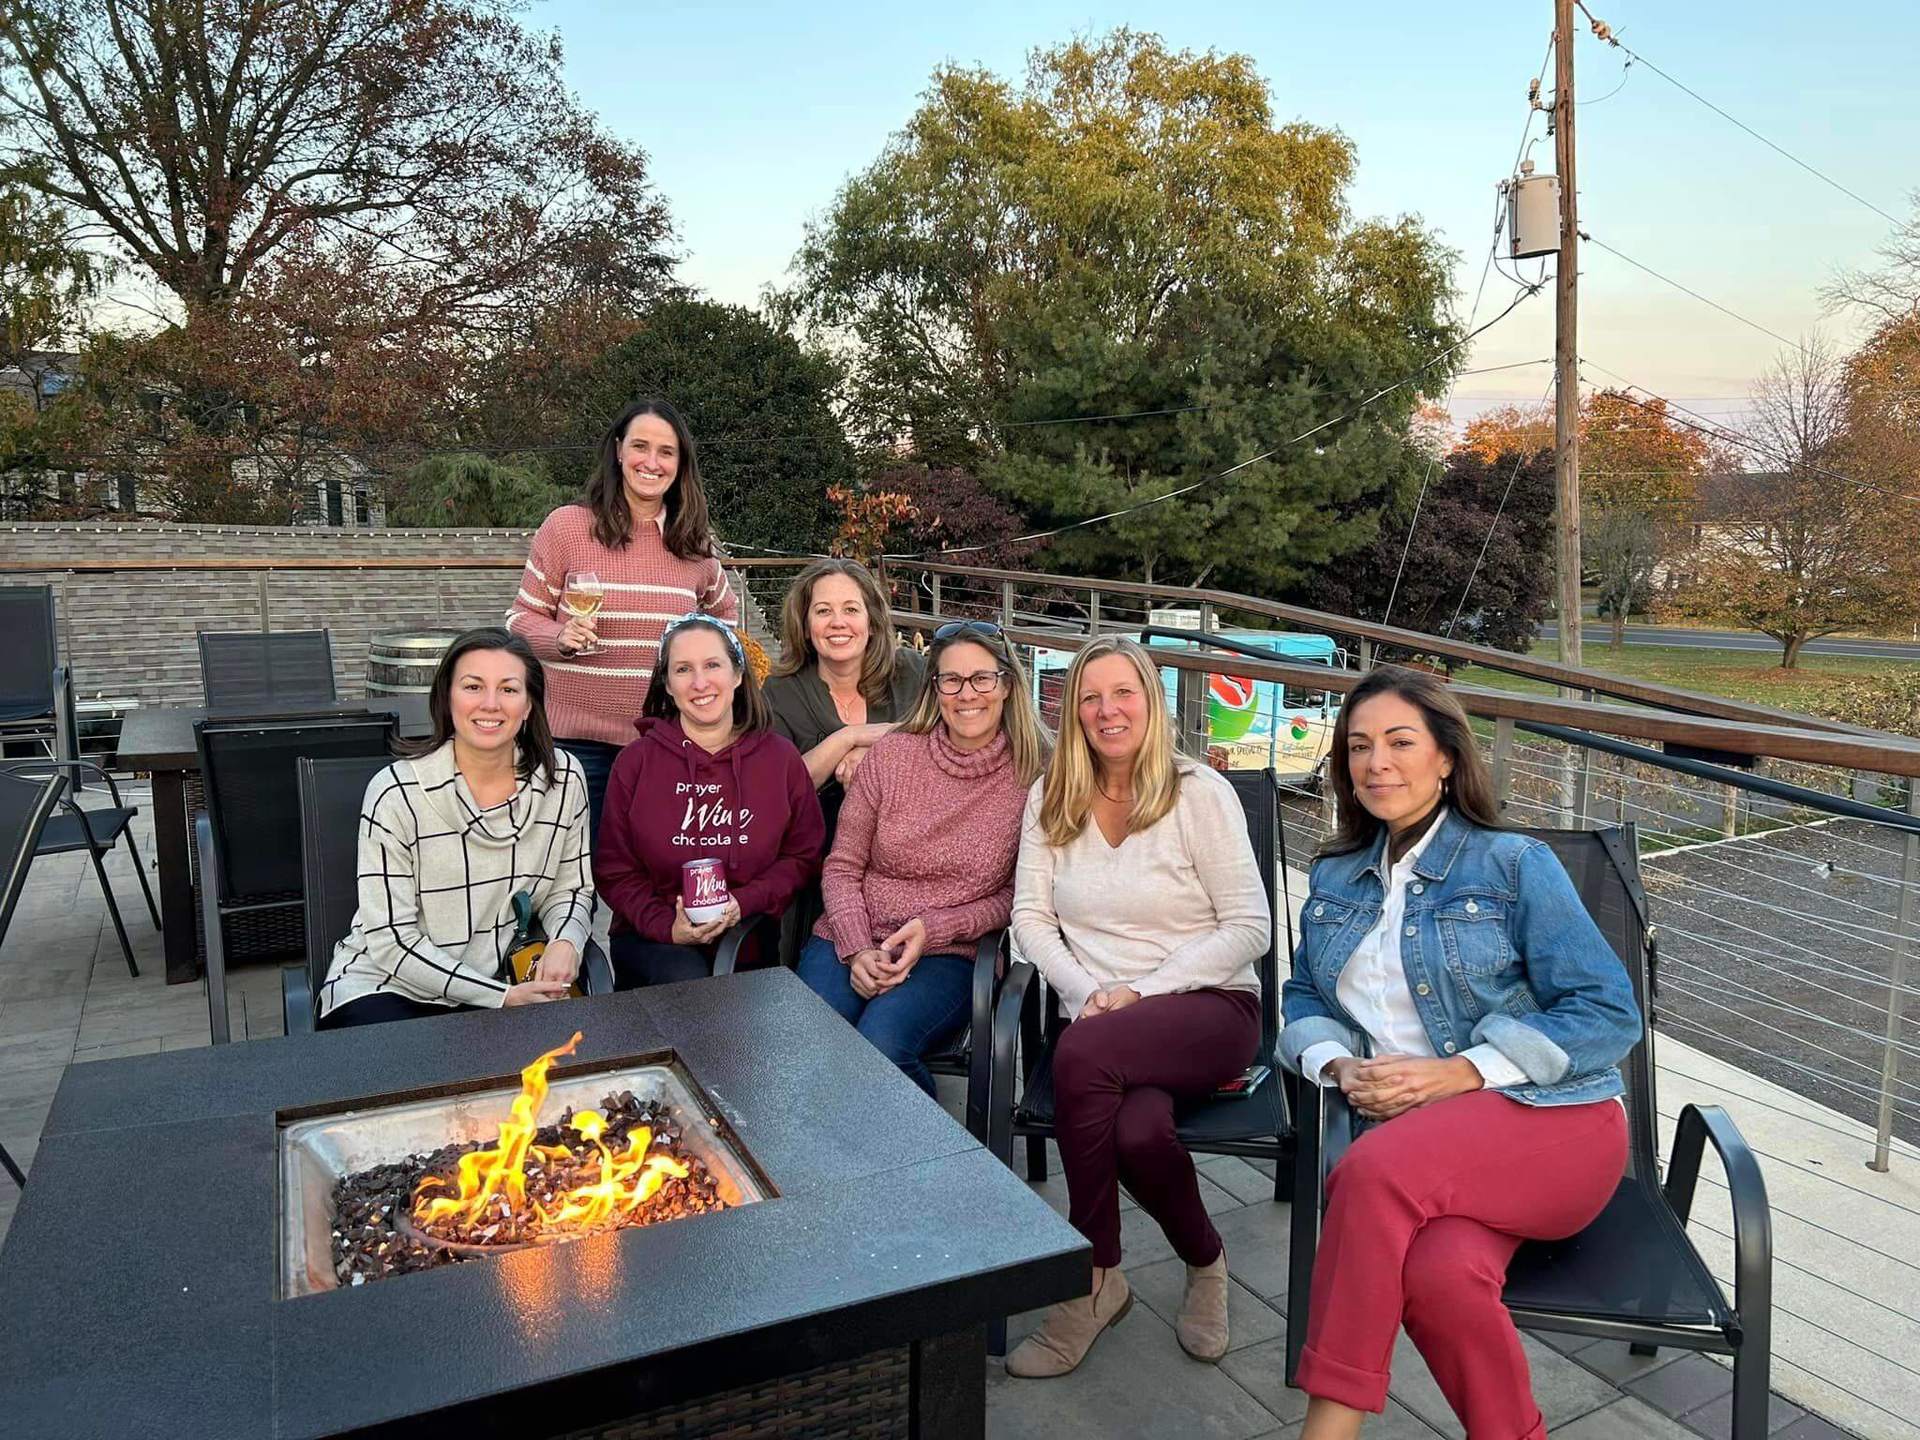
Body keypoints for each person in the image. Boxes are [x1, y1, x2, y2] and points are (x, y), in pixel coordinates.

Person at [1278, 666, 1641, 1440]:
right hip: (1429, 1158)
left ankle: (1327, 1432)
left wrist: (1463, 1071)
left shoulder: (1513, 865)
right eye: (1359, 747)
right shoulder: (1338, 876)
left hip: (1551, 1123)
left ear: (1446, 756)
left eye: (1401, 742)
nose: (1377, 763)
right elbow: (1303, 996)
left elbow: (1609, 1012)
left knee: (1368, 1174)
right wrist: (1335, 1064)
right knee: (1440, 1277)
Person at [1004, 637, 1270, 1378]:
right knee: (1139, 1131)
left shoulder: (1198, 794)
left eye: (1123, 693)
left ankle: (1091, 1275)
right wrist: (1088, 994)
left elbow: (1250, 926)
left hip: (1206, 1009)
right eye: (1090, 696)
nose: (1106, 710)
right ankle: (1207, 1261)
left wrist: (1140, 993)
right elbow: (1031, 919)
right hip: (1102, 1022)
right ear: (1071, 707)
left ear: (1152, 702)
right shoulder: (1050, 794)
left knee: (1080, 1057)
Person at [796, 620, 1046, 1096]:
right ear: (935, 689)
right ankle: (825, 1165)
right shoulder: (892, 757)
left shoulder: (1033, 774)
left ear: (1007, 685)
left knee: (881, 1045)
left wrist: (935, 928)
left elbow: (1018, 895)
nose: (966, 693)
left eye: (982, 678)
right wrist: (856, 947)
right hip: (853, 932)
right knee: (811, 1041)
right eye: (951, 680)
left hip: (951, 953)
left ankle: (925, 1166)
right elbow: (844, 865)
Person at [318, 628, 593, 1028]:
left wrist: (567, 940)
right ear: (448, 697)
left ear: (530, 705)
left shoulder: (564, 779)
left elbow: (572, 887)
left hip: (507, 981)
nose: (490, 704)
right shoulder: (396, 793)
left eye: (509, 690)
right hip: (389, 987)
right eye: (473, 686)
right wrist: (498, 998)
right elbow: (391, 940)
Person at [507, 397, 740, 838]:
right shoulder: (567, 527)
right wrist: (559, 637)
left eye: (666, 452)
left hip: (665, 742)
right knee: (576, 878)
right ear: (618, 451)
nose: (651, 462)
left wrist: (705, 669)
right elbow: (519, 619)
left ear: (680, 463)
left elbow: (724, 616)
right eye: (640, 447)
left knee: (652, 879)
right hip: (575, 745)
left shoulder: (693, 542)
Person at [594, 612, 824, 988]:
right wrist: (666, 925)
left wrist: (745, 902)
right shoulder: (635, 762)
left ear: (737, 674)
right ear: (667, 684)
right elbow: (615, 871)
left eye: (712, 665)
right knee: (690, 982)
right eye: (683, 669)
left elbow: (803, 856)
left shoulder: (779, 760)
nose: (700, 682)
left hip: (747, 938)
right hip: (653, 940)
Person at [763, 557, 926, 843]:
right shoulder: (781, 691)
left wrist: (879, 756)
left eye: (851, 609)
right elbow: (774, 790)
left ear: (872, 622)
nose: (838, 623)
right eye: (823, 611)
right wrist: (848, 738)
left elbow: (949, 747)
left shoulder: (911, 673)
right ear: (804, 625)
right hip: (813, 859)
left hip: (910, 848)